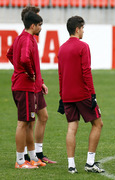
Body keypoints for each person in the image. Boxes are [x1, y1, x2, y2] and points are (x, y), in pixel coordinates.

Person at [57, 16, 105, 174]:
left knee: (72, 127)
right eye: (83, 28)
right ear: (77, 29)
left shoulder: (62, 48)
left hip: (67, 94)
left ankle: (71, 166)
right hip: (83, 93)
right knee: (98, 124)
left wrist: (61, 96)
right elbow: (86, 71)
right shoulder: (83, 46)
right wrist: (93, 94)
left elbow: (60, 74)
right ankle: (90, 163)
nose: (83, 31)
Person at [7, 11, 46, 169]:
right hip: (24, 87)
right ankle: (20, 161)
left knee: (30, 122)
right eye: (39, 25)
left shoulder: (19, 38)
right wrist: (29, 73)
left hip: (23, 85)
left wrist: (19, 70)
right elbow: (24, 59)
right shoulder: (29, 40)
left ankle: (32, 157)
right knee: (23, 123)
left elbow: (10, 54)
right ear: (33, 25)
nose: (40, 28)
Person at [21, 6, 56, 164]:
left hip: (37, 85)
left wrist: (41, 82)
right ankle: (29, 155)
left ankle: (38, 152)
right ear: (31, 22)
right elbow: (19, 58)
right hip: (29, 86)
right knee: (30, 121)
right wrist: (25, 73)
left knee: (44, 116)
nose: (40, 25)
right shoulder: (26, 38)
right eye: (37, 20)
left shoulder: (32, 39)